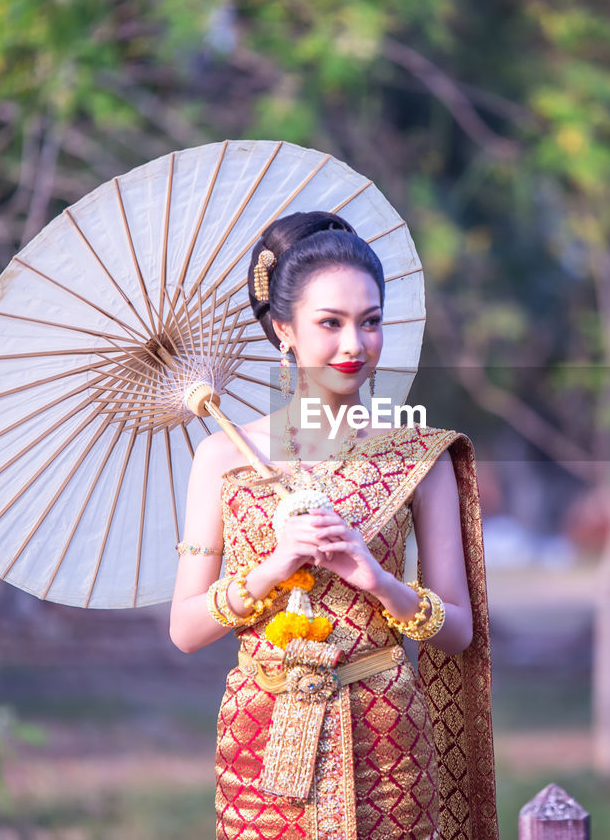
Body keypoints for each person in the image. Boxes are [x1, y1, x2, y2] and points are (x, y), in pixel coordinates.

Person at [167, 211, 498, 840]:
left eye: (370, 322)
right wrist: (273, 566)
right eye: (331, 323)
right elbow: (185, 629)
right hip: (261, 740)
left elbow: (457, 632)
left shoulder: (419, 460)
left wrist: (376, 580)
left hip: (388, 742)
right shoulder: (223, 456)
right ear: (284, 330)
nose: (355, 345)